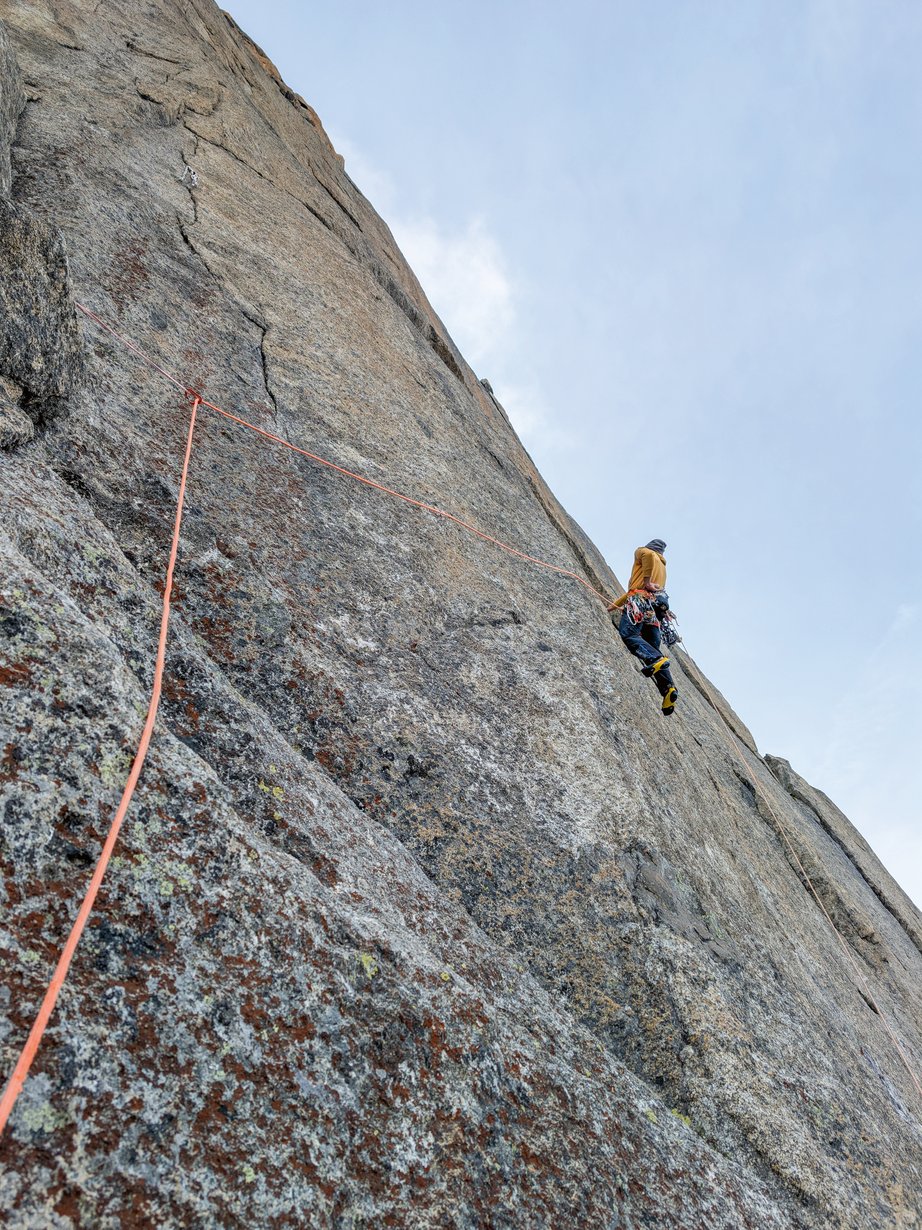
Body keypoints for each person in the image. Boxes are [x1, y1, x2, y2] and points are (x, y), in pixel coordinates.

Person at [609, 538, 678, 716]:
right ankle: (668, 688)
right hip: (653, 610)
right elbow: (633, 591)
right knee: (652, 646)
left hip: (640, 602)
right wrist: (612, 606)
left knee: (629, 634)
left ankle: (655, 660)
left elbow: (639, 585)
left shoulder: (644, 551)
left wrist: (646, 581)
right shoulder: (662, 568)